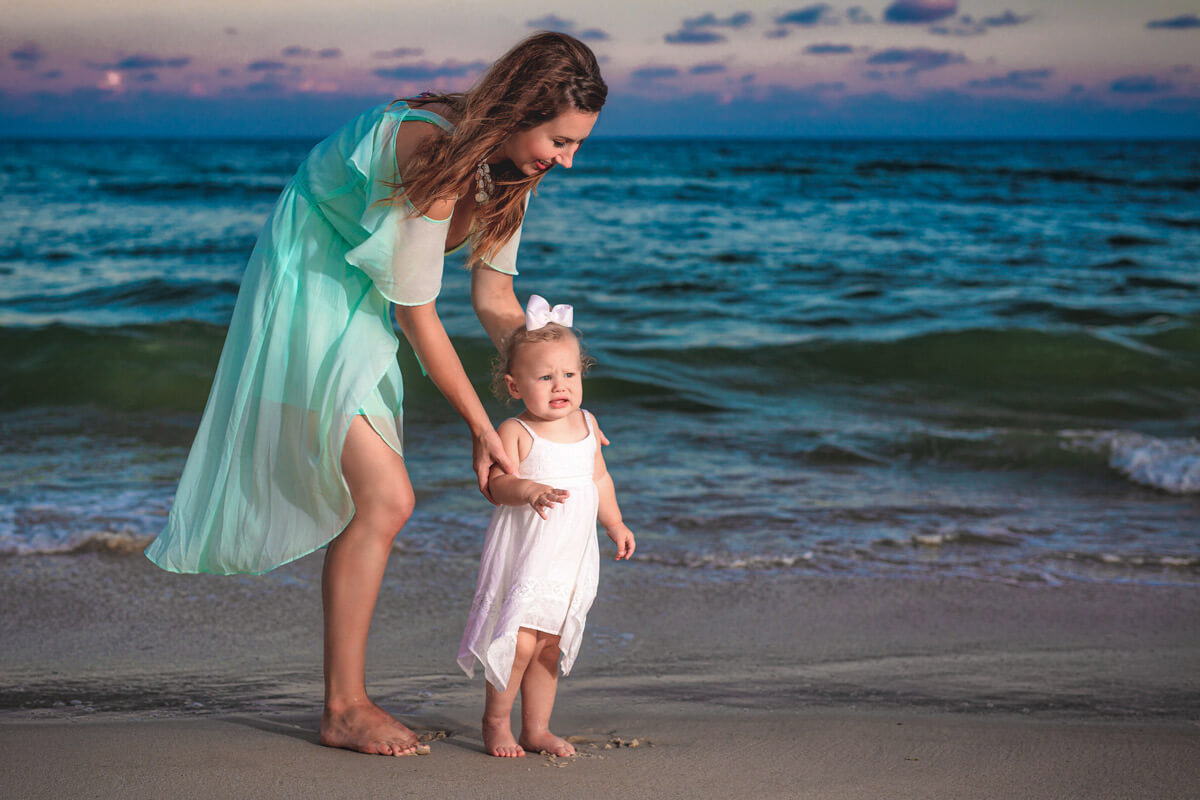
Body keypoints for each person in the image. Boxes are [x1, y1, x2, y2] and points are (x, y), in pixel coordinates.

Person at [143, 32, 607, 757]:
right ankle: (344, 707)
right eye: (562, 139)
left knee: (381, 500)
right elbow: (418, 315)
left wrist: (555, 394)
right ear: (523, 108)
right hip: (311, 281)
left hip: (361, 297)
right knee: (388, 498)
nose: (568, 159)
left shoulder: (513, 167)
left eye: (578, 145)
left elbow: (495, 299)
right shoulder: (429, 146)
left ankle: (345, 702)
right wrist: (486, 430)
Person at [457, 298, 636, 758]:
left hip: (570, 554)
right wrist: (528, 490)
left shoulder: (587, 424)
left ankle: (536, 728)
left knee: (550, 646)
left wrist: (614, 522)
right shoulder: (516, 430)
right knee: (518, 642)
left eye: (570, 375)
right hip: (528, 552)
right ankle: (496, 722)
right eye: (545, 377)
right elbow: (496, 485)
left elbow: (598, 477)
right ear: (515, 387)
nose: (561, 386)